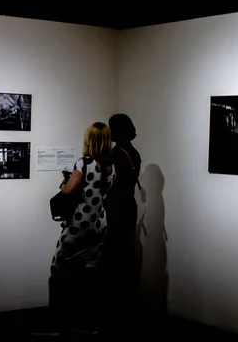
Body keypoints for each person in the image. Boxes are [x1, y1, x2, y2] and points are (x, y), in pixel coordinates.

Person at [33, 122, 116, 337]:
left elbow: (68, 192)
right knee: (88, 273)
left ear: (89, 140)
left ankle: (55, 323)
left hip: (79, 225)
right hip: (99, 225)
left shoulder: (84, 164)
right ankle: (86, 322)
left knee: (58, 270)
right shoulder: (109, 166)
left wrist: (64, 182)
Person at [102, 113, 142, 330]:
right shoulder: (133, 152)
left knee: (114, 252)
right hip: (129, 205)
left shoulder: (116, 152)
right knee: (125, 251)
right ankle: (127, 305)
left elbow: (107, 178)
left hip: (116, 206)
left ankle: (115, 307)